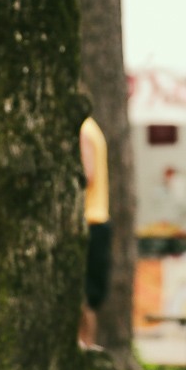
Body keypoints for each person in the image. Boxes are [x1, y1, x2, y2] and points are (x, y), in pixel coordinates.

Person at [78, 116, 111, 349]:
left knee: (85, 293)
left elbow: (87, 173)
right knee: (90, 291)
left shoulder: (82, 129)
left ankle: (85, 345)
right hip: (98, 217)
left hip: (89, 218)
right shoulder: (93, 126)